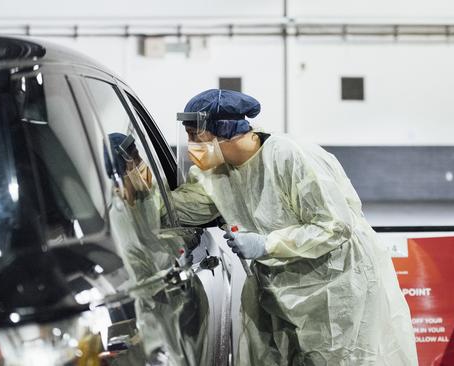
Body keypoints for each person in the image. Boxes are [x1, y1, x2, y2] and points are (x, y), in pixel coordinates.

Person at [172, 89, 418, 366]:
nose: (191, 144)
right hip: (281, 292)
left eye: (195, 134)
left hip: (334, 288)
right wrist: (136, 188)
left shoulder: (290, 156)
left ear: (224, 129)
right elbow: (182, 207)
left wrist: (267, 244)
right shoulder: (217, 173)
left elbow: (334, 226)